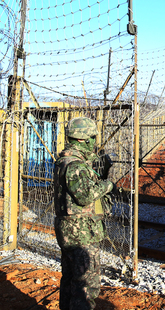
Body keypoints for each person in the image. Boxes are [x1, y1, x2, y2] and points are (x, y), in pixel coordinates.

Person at [53, 116, 114, 310]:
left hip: (71, 231)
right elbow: (86, 196)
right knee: (86, 285)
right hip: (81, 234)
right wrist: (107, 185)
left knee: (71, 280)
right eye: (91, 138)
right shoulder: (75, 165)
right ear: (83, 139)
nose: (93, 142)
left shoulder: (65, 160)